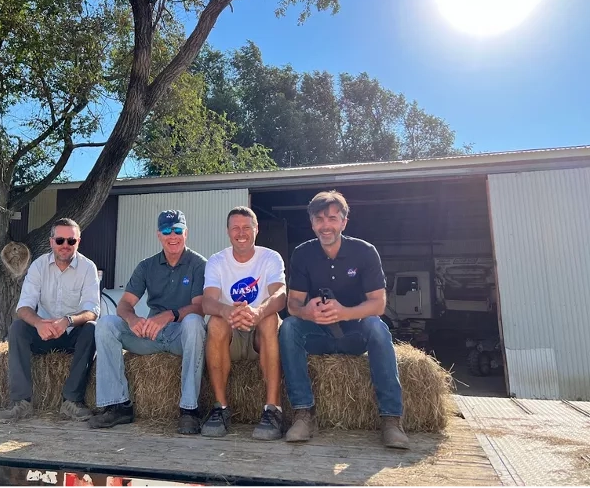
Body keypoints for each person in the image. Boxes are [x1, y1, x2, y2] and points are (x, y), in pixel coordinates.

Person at [278, 191, 409, 449]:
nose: (326, 226)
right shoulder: (302, 254)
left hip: (354, 335)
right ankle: (304, 414)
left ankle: (391, 420)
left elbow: (379, 303)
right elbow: (292, 304)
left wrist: (343, 312)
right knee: (289, 327)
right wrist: (307, 312)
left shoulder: (365, 252)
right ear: (312, 223)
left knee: (377, 326)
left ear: (344, 222)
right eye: (319, 219)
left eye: (332, 218)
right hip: (318, 335)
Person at [89, 210, 207, 434]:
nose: (173, 236)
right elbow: (124, 304)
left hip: (180, 334)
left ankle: (189, 410)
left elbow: (200, 307)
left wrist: (169, 315)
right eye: (166, 231)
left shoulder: (199, 264)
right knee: (106, 325)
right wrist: (133, 319)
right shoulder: (146, 266)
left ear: (186, 233)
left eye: (178, 230)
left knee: (194, 323)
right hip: (150, 335)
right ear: (158, 235)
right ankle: (118, 405)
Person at [0, 218, 100, 423]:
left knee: (92, 329)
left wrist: (68, 321)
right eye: (60, 240)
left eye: (71, 241)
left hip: (72, 334)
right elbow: (23, 307)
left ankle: (72, 401)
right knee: (17, 328)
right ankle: (21, 402)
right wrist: (38, 324)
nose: (65, 246)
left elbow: (92, 311)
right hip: (43, 333)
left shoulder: (88, 268)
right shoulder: (38, 266)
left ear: (78, 242)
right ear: (51, 241)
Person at [200, 206, 287, 440]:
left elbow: (280, 295)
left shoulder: (270, 257)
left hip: (259, 331)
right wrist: (226, 311)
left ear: (256, 230)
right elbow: (208, 302)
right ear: (228, 232)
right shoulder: (217, 261)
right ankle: (221, 408)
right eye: (235, 228)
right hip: (232, 335)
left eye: (246, 227)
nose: (241, 233)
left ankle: (273, 409)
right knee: (215, 322)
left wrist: (258, 311)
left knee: (270, 319)